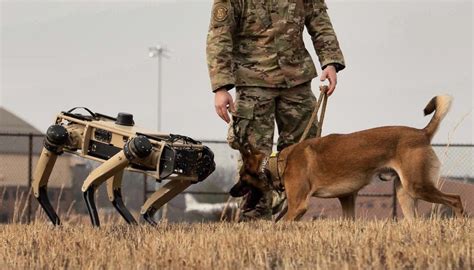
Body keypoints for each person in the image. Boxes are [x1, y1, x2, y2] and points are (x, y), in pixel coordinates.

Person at [206, 0, 345, 221]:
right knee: (254, 160)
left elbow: (319, 20)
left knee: (303, 153)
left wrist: (330, 62)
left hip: (296, 80)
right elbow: (219, 36)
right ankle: (255, 221)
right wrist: (221, 87)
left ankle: (290, 215)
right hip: (253, 84)